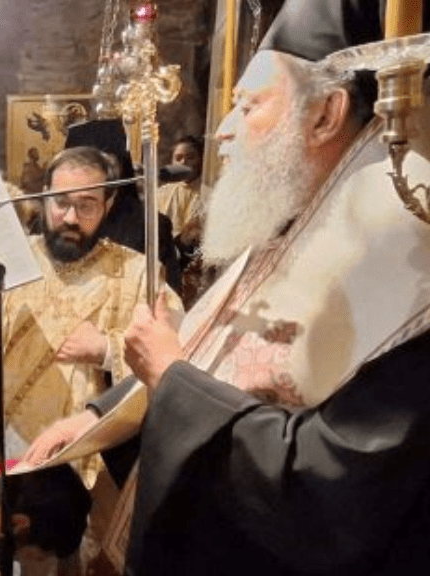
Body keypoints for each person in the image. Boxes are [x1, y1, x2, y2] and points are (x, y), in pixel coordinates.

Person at [26, 1, 430, 573]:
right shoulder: (288, 226)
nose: (223, 128)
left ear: (326, 115)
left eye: (249, 104)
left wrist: (151, 374)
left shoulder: (399, 255)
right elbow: (204, 353)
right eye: (58, 202)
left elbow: (333, 488)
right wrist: (97, 416)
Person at [0, 146, 181, 485]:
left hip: (82, 460)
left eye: (86, 205)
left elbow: (180, 359)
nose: (71, 218)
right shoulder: (6, 257)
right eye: (61, 202)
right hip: (0, 445)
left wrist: (107, 350)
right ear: (44, 196)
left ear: (107, 205)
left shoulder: (138, 274)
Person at [65, 119, 183, 292]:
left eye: (107, 166)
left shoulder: (151, 226)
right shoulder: (50, 222)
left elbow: (170, 294)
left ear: (121, 169)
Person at [155, 134, 203, 240]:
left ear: (200, 160)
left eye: (190, 157)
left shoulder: (208, 192)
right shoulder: (161, 193)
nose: (183, 162)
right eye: (178, 158)